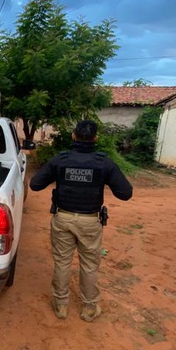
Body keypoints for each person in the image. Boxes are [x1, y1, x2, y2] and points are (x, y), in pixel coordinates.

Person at [29, 120, 132, 322]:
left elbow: (35, 184)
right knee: (90, 265)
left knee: (62, 263)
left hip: (63, 219)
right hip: (90, 222)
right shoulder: (104, 163)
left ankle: (60, 305)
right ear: (95, 138)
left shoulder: (62, 159)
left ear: (74, 136)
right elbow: (125, 193)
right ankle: (89, 309)